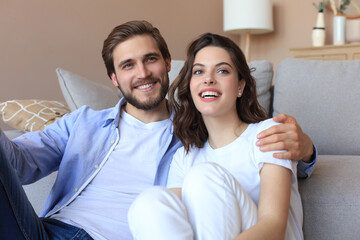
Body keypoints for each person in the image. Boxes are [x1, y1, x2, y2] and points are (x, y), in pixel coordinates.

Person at [0, 21, 314, 240]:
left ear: (167, 64)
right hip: (43, 230)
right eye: (128, 65)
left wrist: (308, 151)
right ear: (114, 78)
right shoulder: (83, 123)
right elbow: (17, 165)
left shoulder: (188, 135)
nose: (142, 73)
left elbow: (259, 159)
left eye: (150, 59)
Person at [127, 33, 304, 240]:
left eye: (222, 71)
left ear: (240, 86)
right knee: (149, 201)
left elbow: (273, 226)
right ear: (190, 85)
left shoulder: (269, 133)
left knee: (203, 177)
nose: (208, 79)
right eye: (199, 71)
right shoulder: (185, 157)